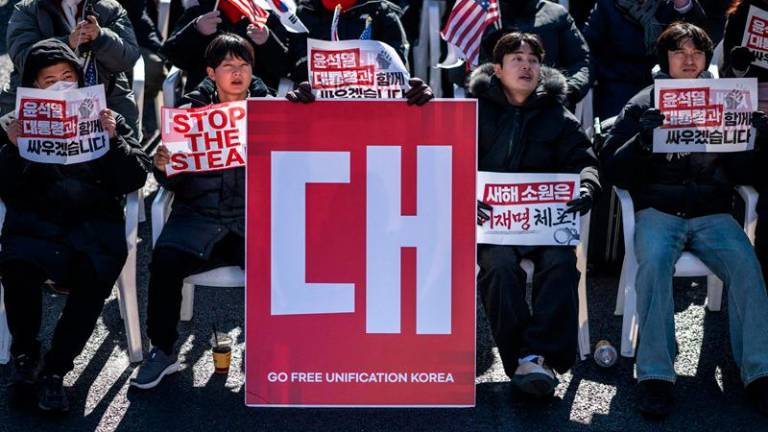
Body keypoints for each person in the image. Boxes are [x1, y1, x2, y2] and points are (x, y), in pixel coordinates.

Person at [600, 22, 768, 419]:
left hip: (713, 213)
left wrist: (760, 141)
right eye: (679, 52)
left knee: (748, 267)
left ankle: (759, 372)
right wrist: (640, 142)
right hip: (658, 212)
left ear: (708, 58)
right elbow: (612, 170)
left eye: (697, 52)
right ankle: (655, 375)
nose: (689, 59)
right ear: (666, 60)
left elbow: (751, 173)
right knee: (654, 265)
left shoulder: (729, 101)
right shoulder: (644, 102)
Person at [0, 38, 150, 412]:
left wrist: (114, 140)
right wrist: (13, 148)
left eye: (68, 76)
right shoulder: (16, 124)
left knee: (95, 274)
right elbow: (5, 186)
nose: (61, 84)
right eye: (49, 80)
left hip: (92, 227)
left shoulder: (104, 115)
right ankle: (24, 354)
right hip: (38, 224)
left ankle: (55, 369)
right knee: (17, 266)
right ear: (33, 87)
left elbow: (134, 178)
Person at [130, 33, 270, 390]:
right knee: (163, 261)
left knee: (279, 264)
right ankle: (162, 351)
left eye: (244, 65)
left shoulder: (271, 113)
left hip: (251, 221)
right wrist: (162, 165)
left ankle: (267, 349)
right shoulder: (189, 117)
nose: (237, 73)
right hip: (197, 220)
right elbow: (171, 184)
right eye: (228, 66)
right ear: (211, 72)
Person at [469, 32, 600, 399]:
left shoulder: (558, 115)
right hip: (494, 225)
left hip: (545, 223)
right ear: (497, 69)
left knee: (560, 262)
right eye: (517, 59)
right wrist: (463, 196)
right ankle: (524, 360)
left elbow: (585, 162)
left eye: (533, 60)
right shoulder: (475, 111)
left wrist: (588, 188)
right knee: (497, 265)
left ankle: (538, 355)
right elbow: (450, 161)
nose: (526, 66)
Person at [2, 0, 141, 138]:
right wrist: (66, 43)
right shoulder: (28, 9)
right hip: (40, 99)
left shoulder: (109, 7)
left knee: (126, 147)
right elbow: (22, 58)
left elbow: (128, 59)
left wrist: (102, 37)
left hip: (105, 95)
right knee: (13, 144)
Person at [582, 0, 706, 119]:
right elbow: (588, 48)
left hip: (664, 83)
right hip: (618, 85)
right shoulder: (608, 5)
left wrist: (683, 5)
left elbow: (698, 36)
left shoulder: (669, 4)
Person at [480, 0, 593, 106]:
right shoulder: (479, 15)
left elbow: (581, 62)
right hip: (495, 110)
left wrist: (567, 91)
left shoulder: (557, 15)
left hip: (548, 110)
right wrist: (488, 90)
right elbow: (467, 63)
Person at [160, 0, 289, 92]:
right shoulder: (199, 13)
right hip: (206, 101)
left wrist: (268, 41)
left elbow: (284, 68)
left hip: (255, 99)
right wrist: (195, 29)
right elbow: (172, 56)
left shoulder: (264, 17)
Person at [286, 0, 410, 83]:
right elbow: (296, 65)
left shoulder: (381, 11)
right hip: (317, 103)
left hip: (371, 102)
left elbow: (397, 65)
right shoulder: (302, 13)